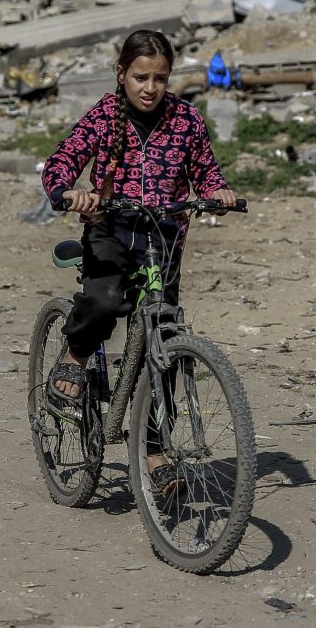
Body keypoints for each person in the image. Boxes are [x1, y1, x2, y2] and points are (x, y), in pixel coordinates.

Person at [40, 29, 237, 496]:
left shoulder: (187, 120)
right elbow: (63, 160)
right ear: (122, 74)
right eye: (141, 77)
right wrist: (69, 190)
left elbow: (206, 172)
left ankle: (154, 452)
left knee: (162, 347)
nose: (150, 88)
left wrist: (218, 193)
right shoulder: (106, 117)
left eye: (160, 78)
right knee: (105, 301)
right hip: (110, 229)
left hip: (164, 238)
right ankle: (75, 355)